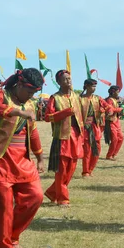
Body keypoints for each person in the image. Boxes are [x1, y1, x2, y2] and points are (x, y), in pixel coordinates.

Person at [0, 68, 45, 248]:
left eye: (34, 93)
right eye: (29, 92)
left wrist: (40, 156)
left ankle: (13, 236)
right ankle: (6, 246)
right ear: (19, 84)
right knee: (3, 206)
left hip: (22, 159)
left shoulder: (30, 104)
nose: (31, 96)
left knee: (35, 196)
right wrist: (15, 111)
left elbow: (32, 131)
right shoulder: (1, 95)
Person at [44, 70, 84, 207]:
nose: (69, 81)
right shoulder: (54, 98)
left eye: (70, 78)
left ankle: (52, 192)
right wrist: (64, 113)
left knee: (71, 169)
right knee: (62, 170)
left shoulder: (76, 96)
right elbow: (47, 117)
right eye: (65, 79)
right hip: (62, 137)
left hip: (76, 136)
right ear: (59, 82)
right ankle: (62, 198)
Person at [80, 79, 109, 177]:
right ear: (87, 86)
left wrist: (105, 110)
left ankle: (90, 169)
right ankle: (85, 171)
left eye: (95, 86)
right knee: (87, 151)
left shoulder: (98, 98)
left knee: (97, 150)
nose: (94, 88)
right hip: (85, 127)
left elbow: (108, 107)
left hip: (95, 126)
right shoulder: (80, 99)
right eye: (92, 86)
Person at [104, 85, 124, 160]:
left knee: (121, 138)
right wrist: (119, 109)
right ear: (113, 92)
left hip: (116, 121)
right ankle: (109, 155)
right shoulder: (109, 100)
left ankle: (113, 154)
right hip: (110, 121)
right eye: (117, 92)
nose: (118, 93)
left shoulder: (114, 100)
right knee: (114, 139)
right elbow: (110, 109)